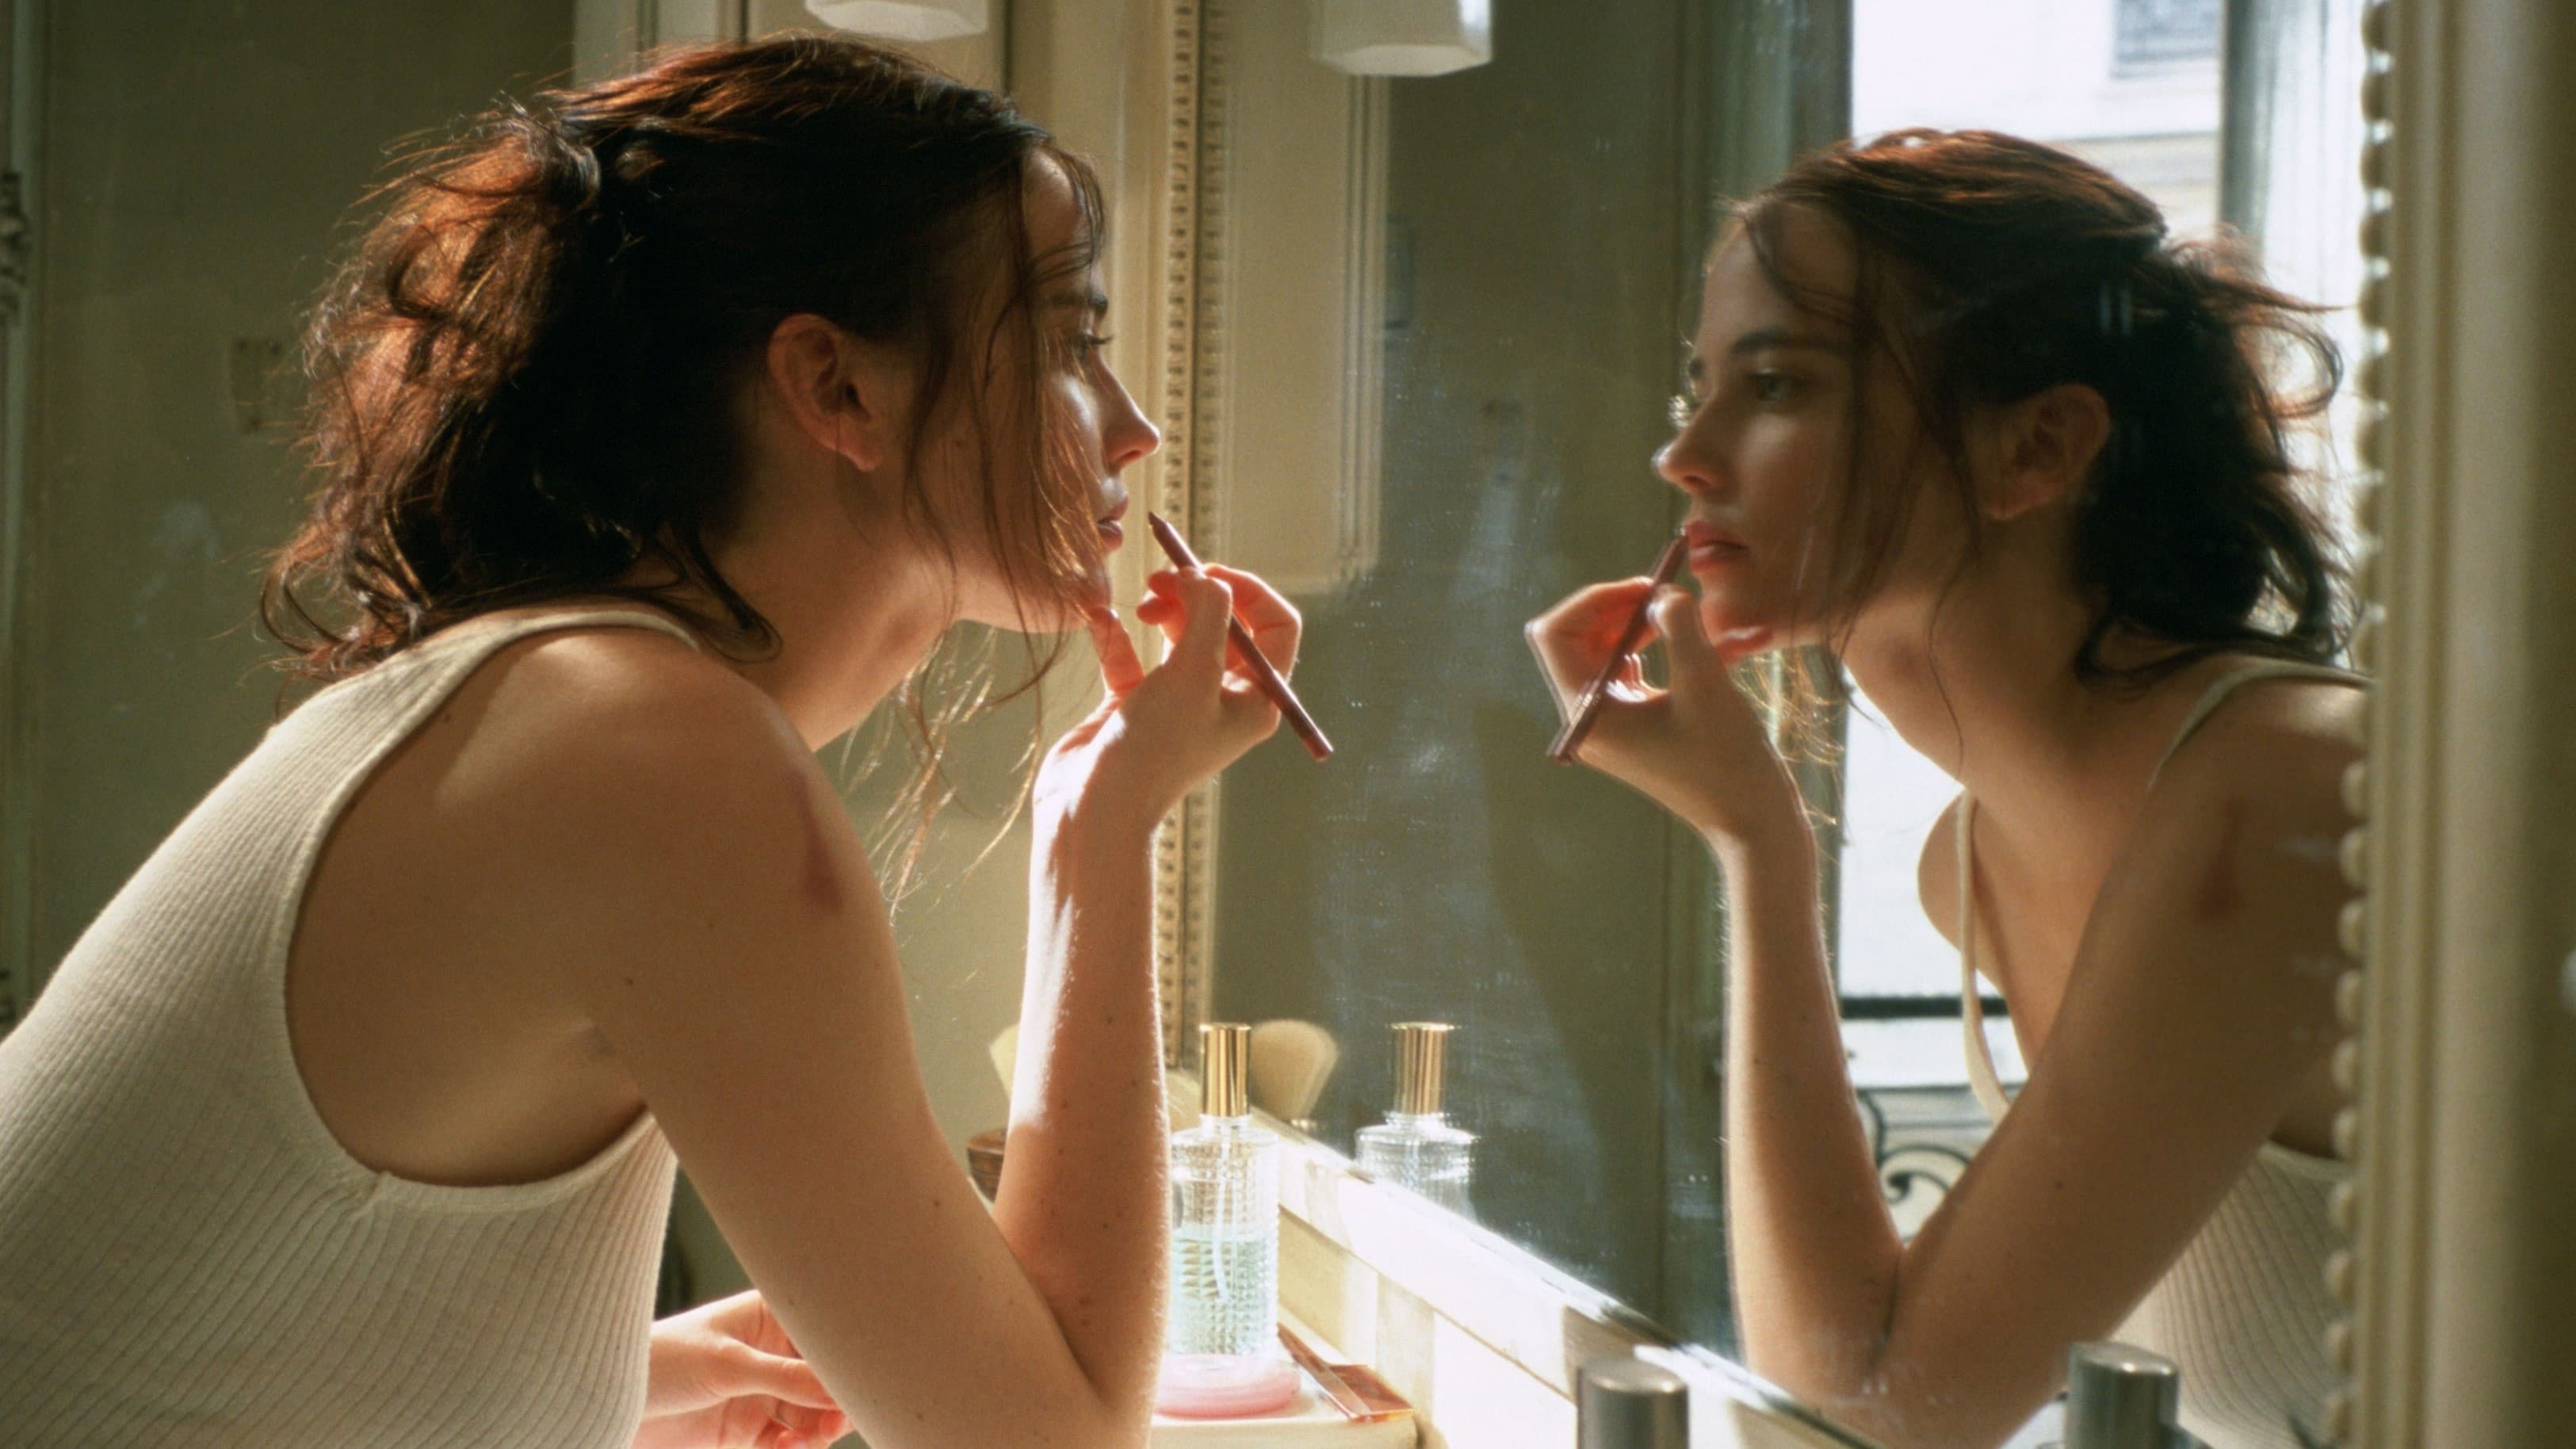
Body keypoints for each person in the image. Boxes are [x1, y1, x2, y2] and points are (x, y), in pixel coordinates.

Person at [0, 36, 1298, 1449]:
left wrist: (622, 1377)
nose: (1133, 428)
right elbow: (1047, 1442)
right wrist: (1101, 832)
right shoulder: (653, 754)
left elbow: (198, 1306)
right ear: (837, 388)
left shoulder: (561, 698)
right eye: (1066, 343)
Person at [1529, 130, 2359, 1449]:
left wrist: (1757, 844)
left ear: (2036, 447)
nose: (1684, 454)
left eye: (1776, 384)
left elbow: (1877, 1404)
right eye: (1699, 385)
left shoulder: (2284, 793)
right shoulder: (1965, 865)